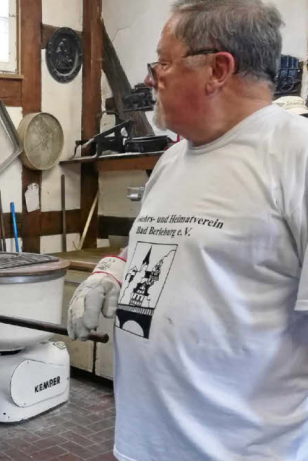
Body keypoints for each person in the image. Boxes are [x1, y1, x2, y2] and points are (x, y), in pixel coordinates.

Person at [67, 1, 308, 460]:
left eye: (163, 61)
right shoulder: (175, 158)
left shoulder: (295, 155)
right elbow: (160, 249)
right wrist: (116, 270)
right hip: (144, 444)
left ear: (218, 69)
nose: (150, 77)